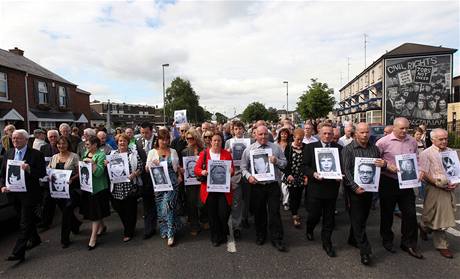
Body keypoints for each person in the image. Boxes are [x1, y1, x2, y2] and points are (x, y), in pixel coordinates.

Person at [376, 117, 424, 259]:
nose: (405, 131)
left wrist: (420, 170)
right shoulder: (382, 142)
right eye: (402, 128)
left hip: (407, 183)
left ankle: (408, 243)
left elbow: (417, 158)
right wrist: (386, 165)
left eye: (407, 128)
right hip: (388, 181)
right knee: (387, 213)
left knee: (410, 213)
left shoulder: (412, 141)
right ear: (394, 128)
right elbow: (375, 160)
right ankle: (387, 240)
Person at [342, 122, 385, 265]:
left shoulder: (375, 149)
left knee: (362, 217)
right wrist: (354, 187)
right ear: (355, 134)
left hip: (369, 190)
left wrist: (382, 164)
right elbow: (346, 171)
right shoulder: (348, 149)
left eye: (367, 132)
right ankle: (365, 251)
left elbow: (378, 169)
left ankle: (352, 239)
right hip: (354, 191)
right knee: (358, 219)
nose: (365, 135)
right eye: (362, 132)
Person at [1, 129, 46, 262]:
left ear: (26, 140)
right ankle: (35, 239)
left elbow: (42, 173)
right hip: (13, 194)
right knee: (23, 218)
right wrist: (3, 185)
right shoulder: (8, 153)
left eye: (18, 138)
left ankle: (18, 252)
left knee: (24, 222)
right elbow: (3, 173)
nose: (15, 140)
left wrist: (29, 169)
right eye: (13, 138)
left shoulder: (36, 154)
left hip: (29, 194)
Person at [241, 125, 288, 252]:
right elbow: (243, 167)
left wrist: (276, 161)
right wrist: (249, 176)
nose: (263, 137)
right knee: (259, 212)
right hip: (257, 186)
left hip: (272, 185)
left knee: (274, 213)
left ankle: (277, 238)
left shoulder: (275, 147)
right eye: (260, 134)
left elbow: (285, 163)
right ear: (255, 135)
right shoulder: (249, 150)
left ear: (269, 135)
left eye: (265, 134)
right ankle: (260, 235)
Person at [302, 123, 342, 257]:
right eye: (324, 133)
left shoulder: (339, 148)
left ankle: (327, 242)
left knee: (329, 218)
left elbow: (342, 166)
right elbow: (305, 166)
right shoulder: (310, 147)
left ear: (333, 135)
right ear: (319, 134)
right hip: (315, 188)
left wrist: (340, 175)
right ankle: (310, 228)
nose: (327, 136)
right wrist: (313, 174)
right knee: (314, 215)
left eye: (330, 133)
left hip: (331, 189)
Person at [419, 129, 458, 258]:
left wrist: (456, 182)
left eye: (446, 138)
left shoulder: (451, 152)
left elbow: (455, 171)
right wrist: (436, 182)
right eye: (441, 139)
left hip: (449, 189)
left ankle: (439, 242)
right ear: (433, 140)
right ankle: (427, 229)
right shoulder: (426, 153)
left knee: (441, 217)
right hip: (435, 188)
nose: (444, 141)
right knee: (431, 214)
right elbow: (423, 173)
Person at [195, 133, 234, 248]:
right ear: (211, 142)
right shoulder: (204, 153)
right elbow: (196, 169)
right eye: (214, 140)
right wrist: (202, 172)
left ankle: (222, 232)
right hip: (209, 190)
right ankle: (215, 237)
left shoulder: (226, 154)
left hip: (223, 190)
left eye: (219, 140)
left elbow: (233, 170)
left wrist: (231, 171)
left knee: (223, 213)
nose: (217, 142)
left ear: (222, 142)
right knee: (212, 215)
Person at [146, 129, 182, 246]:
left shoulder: (173, 151)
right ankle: (165, 229)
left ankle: (171, 233)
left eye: (167, 139)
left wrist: (180, 173)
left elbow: (177, 167)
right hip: (159, 183)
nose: (165, 142)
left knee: (169, 206)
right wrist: (152, 163)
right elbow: (146, 168)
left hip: (172, 183)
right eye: (162, 139)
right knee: (161, 208)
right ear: (158, 139)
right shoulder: (152, 152)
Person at [106, 133, 142, 243]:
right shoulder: (112, 154)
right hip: (116, 187)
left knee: (130, 210)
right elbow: (108, 169)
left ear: (128, 142)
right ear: (117, 143)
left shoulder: (133, 154)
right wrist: (106, 164)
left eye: (124, 141)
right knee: (119, 209)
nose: (122, 143)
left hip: (129, 186)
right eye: (120, 141)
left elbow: (140, 167)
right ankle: (128, 226)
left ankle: (128, 231)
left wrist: (134, 174)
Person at [48, 136, 81, 248]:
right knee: (66, 211)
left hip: (71, 189)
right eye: (59, 144)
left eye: (64, 144)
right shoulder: (54, 157)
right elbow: (49, 170)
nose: (61, 146)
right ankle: (76, 224)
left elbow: (80, 172)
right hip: (57, 190)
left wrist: (72, 179)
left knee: (66, 212)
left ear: (68, 144)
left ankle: (64, 239)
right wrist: (49, 177)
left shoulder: (74, 156)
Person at [79, 135, 110, 250]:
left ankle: (93, 238)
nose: (86, 146)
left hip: (98, 188)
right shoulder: (85, 153)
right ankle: (102, 227)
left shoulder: (101, 155)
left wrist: (93, 163)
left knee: (95, 213)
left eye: (88, 144)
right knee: (95, 210)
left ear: (95, 145)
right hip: (88, 186)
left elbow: (99, 173)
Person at [225, 120, 250, 239]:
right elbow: (224, 158)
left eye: (240, 128)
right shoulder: (228, 142)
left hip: (248, 173)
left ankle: (245, 218)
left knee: (247, 200)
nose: (238, 131)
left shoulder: (250, 141)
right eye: (236, 129)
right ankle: (237, 226)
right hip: (235, 174)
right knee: (236, 202)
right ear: (232, 130)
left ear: (243, 129)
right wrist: (228, 153)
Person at [181, 128, 207, 236]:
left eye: (191, 138)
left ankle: (205, 219)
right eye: (187, 138)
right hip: (190, 182)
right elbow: (181, 166)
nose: (189, 140)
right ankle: (194, 225)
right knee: (191, 203)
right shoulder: (184, 152)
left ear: (196, 138)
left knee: (203, 202)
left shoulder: (204, 151)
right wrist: (181, 169)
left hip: (202, 180)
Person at [136, 122, 157, 240]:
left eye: (147, 132)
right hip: (145, 179)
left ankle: (166, 227)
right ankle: (149, 229)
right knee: (147, 204)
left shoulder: (159, 140)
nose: (144, 135)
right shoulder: (138, 142)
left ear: (152, 130)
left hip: (158, 177)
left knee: (159, 203)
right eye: (142, 132)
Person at [283, 128, 308, 228]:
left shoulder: (305, 147)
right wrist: (288, 174)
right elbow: (285, 163)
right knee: (293, 196)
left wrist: (306, 176)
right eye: (298, 139)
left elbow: (308, 162)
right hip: (291, 176)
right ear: (293, 137)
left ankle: (295, 210)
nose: (299, 142)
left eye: (301, 139)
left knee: (298, 196)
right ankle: (295, 215)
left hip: (301, 176)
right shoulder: (288, 147)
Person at [276, 127, 291, 212]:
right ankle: (279, 198)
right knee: (278, 185)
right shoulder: (275, 144)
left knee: (285, 186)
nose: (284, 135)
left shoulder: (290, 144)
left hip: (286, 168)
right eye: (282, 134)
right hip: (277, 167)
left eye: (285, 134)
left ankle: (286, 202)